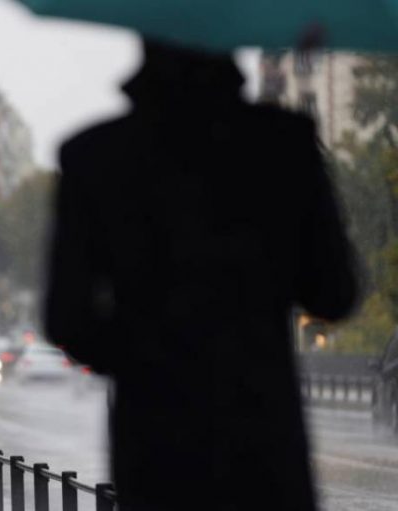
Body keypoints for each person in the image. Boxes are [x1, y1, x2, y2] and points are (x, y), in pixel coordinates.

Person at [44, 39, 358, 511]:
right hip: (264, 442)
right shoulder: (286, 145)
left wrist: (143, 357)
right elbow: (334, 293)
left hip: (155, 447)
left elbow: (67, 318)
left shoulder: (94, 155)